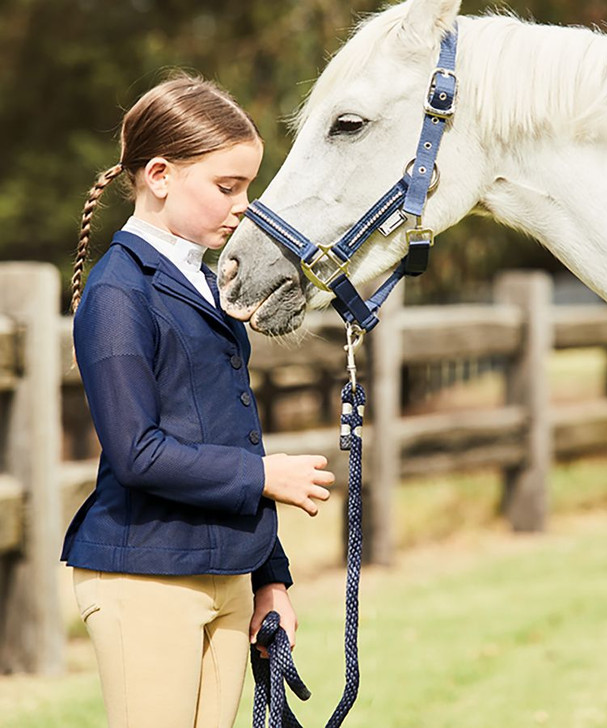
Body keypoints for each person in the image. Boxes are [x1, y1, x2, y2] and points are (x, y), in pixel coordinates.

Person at [61, 72, 335, 728]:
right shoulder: (119, 293)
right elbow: (137, 453)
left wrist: (271, 578)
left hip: (230, 577)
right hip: (145, 579)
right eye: (226, 186)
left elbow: (230, 434)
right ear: (159, 174)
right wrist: (267, 477)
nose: (243, 205)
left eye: (247, 186)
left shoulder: (211, 284)